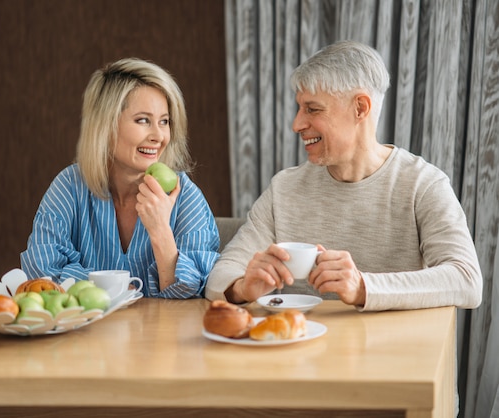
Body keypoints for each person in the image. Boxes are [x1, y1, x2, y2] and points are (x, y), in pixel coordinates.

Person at [205, 41, 483, 311]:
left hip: (393, 355)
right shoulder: (284, 188)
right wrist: (242, 287)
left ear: (360, 108)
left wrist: (363, 287)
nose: (297, 124)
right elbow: (220, 276)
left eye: (313, 109)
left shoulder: (423, 184)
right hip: (299, 354)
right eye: (299, 108)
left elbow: (466, 280)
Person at [21, 58, 219, 299]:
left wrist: (160, 233)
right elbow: (42, 275)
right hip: (85, 336)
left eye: (164, 121)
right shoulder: (69, 187)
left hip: (160, 336)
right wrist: (113, 290)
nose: (159, 136)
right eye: (143, 120)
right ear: (106, 125)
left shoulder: (185, 195)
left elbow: (193, 295)